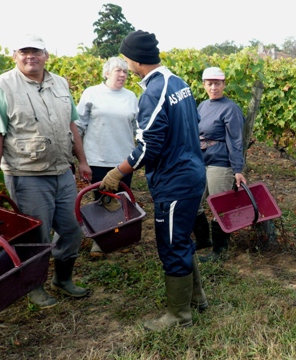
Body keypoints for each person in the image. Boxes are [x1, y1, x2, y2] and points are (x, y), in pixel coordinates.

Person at [99, 30, 207, 331]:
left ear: (135, 60)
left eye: (125, 59)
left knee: (171, 246)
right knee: (181, 238)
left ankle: (178, 317)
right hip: (191, 173)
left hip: (175, 181)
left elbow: (149, 146)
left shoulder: (154, 92)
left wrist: (118, 171)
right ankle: (197, 300)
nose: (125, 64)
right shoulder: (179, 83)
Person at [0, 34, 92, 308]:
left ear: (46, 54)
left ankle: (62, 279)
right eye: (24, 51)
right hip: (27, 175)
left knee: (71, 230)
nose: (30, 56)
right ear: (15, 55)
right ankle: (35, 286)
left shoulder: (60, 83)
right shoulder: (2, 88)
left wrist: (81, 161)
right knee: (37, 237)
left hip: (62, 171)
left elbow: (71, 126)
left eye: (36, 51)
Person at [75, 56, 138, 256]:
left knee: (122, 200)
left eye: (125, 71)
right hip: (98, 157)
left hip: (124, 159)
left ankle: (119, 237)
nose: (122, 75)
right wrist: (80, 158)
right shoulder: (92, 93)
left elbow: (138, 128)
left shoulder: (131, 97)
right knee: (101, 200)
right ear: (107, 73)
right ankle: (100, 241)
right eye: (118, 70)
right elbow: (78, 126)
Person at [194, 66, 247, 263]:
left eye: (217, 83)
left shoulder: (230, 108)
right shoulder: (202, 106)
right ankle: (203, 240)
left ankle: (219, 250)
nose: (213, 87)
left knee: (219, 205)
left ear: (224, 85)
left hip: (220, 163)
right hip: (200, 161)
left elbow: (235, 141)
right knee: (194, 201)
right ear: (204, 85)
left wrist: (237, 169)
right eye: (210, 83)